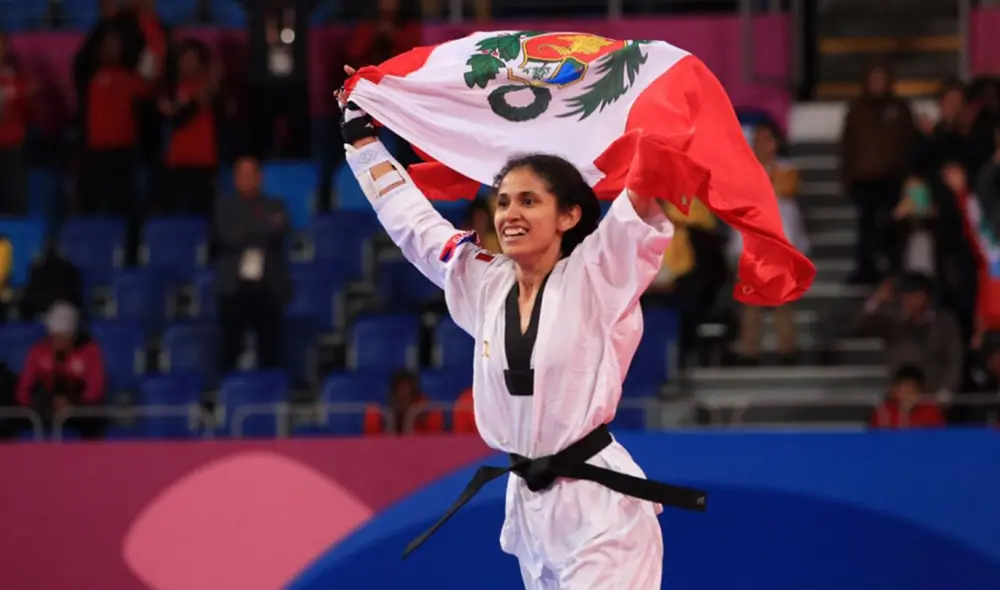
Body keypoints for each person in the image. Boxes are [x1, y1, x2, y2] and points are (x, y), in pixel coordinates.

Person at [338, 85, 705, 589]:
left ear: (568, 216)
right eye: (503, 201)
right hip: (530, 508)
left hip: (600, 509)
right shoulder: (483, 283)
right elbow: (412, 223)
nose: (509, 214)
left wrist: (663, 100)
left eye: (529, 201)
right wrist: (362, 143)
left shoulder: (599, 274)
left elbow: (643, 190)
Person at [214, 156, 292, 374]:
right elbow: (227, 235)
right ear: (235, 179)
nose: (247, 180)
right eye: (242, 175)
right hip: (233, 290)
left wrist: (247, 230)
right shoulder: (224, 206)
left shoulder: (275, 205)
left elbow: (281, 227)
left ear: (260, 178)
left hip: (268, 288)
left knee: (270, 352)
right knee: (229, 349)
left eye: (251, 175)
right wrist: (264, 227)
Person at [839, 63, 916, 284]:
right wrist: (847, 177)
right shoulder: (856, 110)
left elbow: (909, 143)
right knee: (866, 227)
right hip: (864, 180)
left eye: (882, 78)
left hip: (892, 179)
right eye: (874, 78)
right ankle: (866, 269)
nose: (878, 83)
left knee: (892, 227)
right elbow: (847, 146)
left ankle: (894, 269)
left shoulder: (900, 109)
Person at [15, 302, 107, 439]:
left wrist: (73, 403)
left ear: (73, 335)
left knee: (94, 420)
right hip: (44, 409)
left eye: (64, 337)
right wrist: (45, 403)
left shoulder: (89, 352)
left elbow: (95, 389)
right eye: (55, 336)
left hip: (78, 409)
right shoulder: (38, 352)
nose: (58, 342)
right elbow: (23, 391)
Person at [159, 40, 219, 216]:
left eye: (194, 59)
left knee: (202, 215)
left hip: (203, 163)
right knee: (175, 216)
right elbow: (172, 118)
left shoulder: (208, 89)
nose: (189, 65)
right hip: (176, 163)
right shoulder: (170, 89)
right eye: (185, 59)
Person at [363, 370, 443, 435]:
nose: (404, 393)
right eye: (401, 389)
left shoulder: (426, 410)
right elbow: (372, 442)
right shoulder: (382, 411)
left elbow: (435, 440)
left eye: (407, 390)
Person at [869, 365, 945, 429]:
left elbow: (939, 439)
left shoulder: (930, 409)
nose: (907, 393)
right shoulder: (883, 411)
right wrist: (903, 413)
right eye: (903, 386)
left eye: (912, 388)